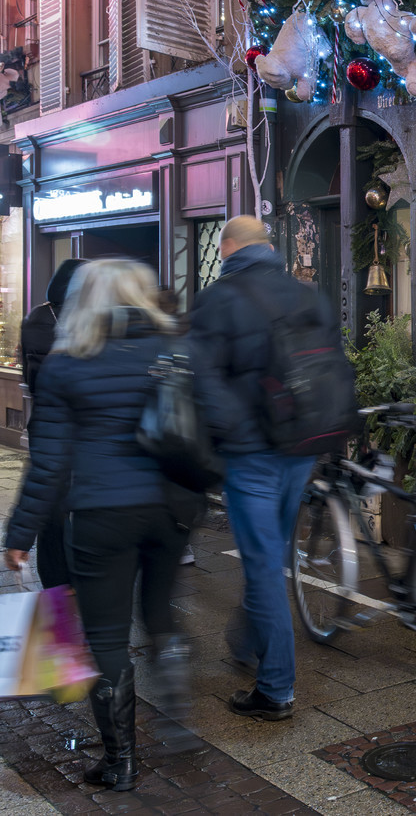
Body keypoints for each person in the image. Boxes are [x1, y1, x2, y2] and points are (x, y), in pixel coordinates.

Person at [2, 259, 226, 791]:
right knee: (159, 610)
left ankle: (120, 761)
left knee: (106, 636)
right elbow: (223, 423)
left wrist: (20, 534)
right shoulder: (180, 350)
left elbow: (50, 464)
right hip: (173, 509)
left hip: (103, 513)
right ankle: (175, 704)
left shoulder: (65, 362)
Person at [189, 215, 342, 722]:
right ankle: (246, 640)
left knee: (262, 565)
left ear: (229, 247)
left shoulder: (219, 299)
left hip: (252, 453)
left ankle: (276, 688)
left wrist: (226, 438)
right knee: (271, 554)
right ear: (270, 248)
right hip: (301, 446)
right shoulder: (306, 294)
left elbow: (202, 381)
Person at [14, 258, 85, 587]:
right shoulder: (91, 321)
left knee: (51, 502)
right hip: (82, 425)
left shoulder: (35, 318)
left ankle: (57, 587)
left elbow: (29, 375)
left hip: (45, 418)